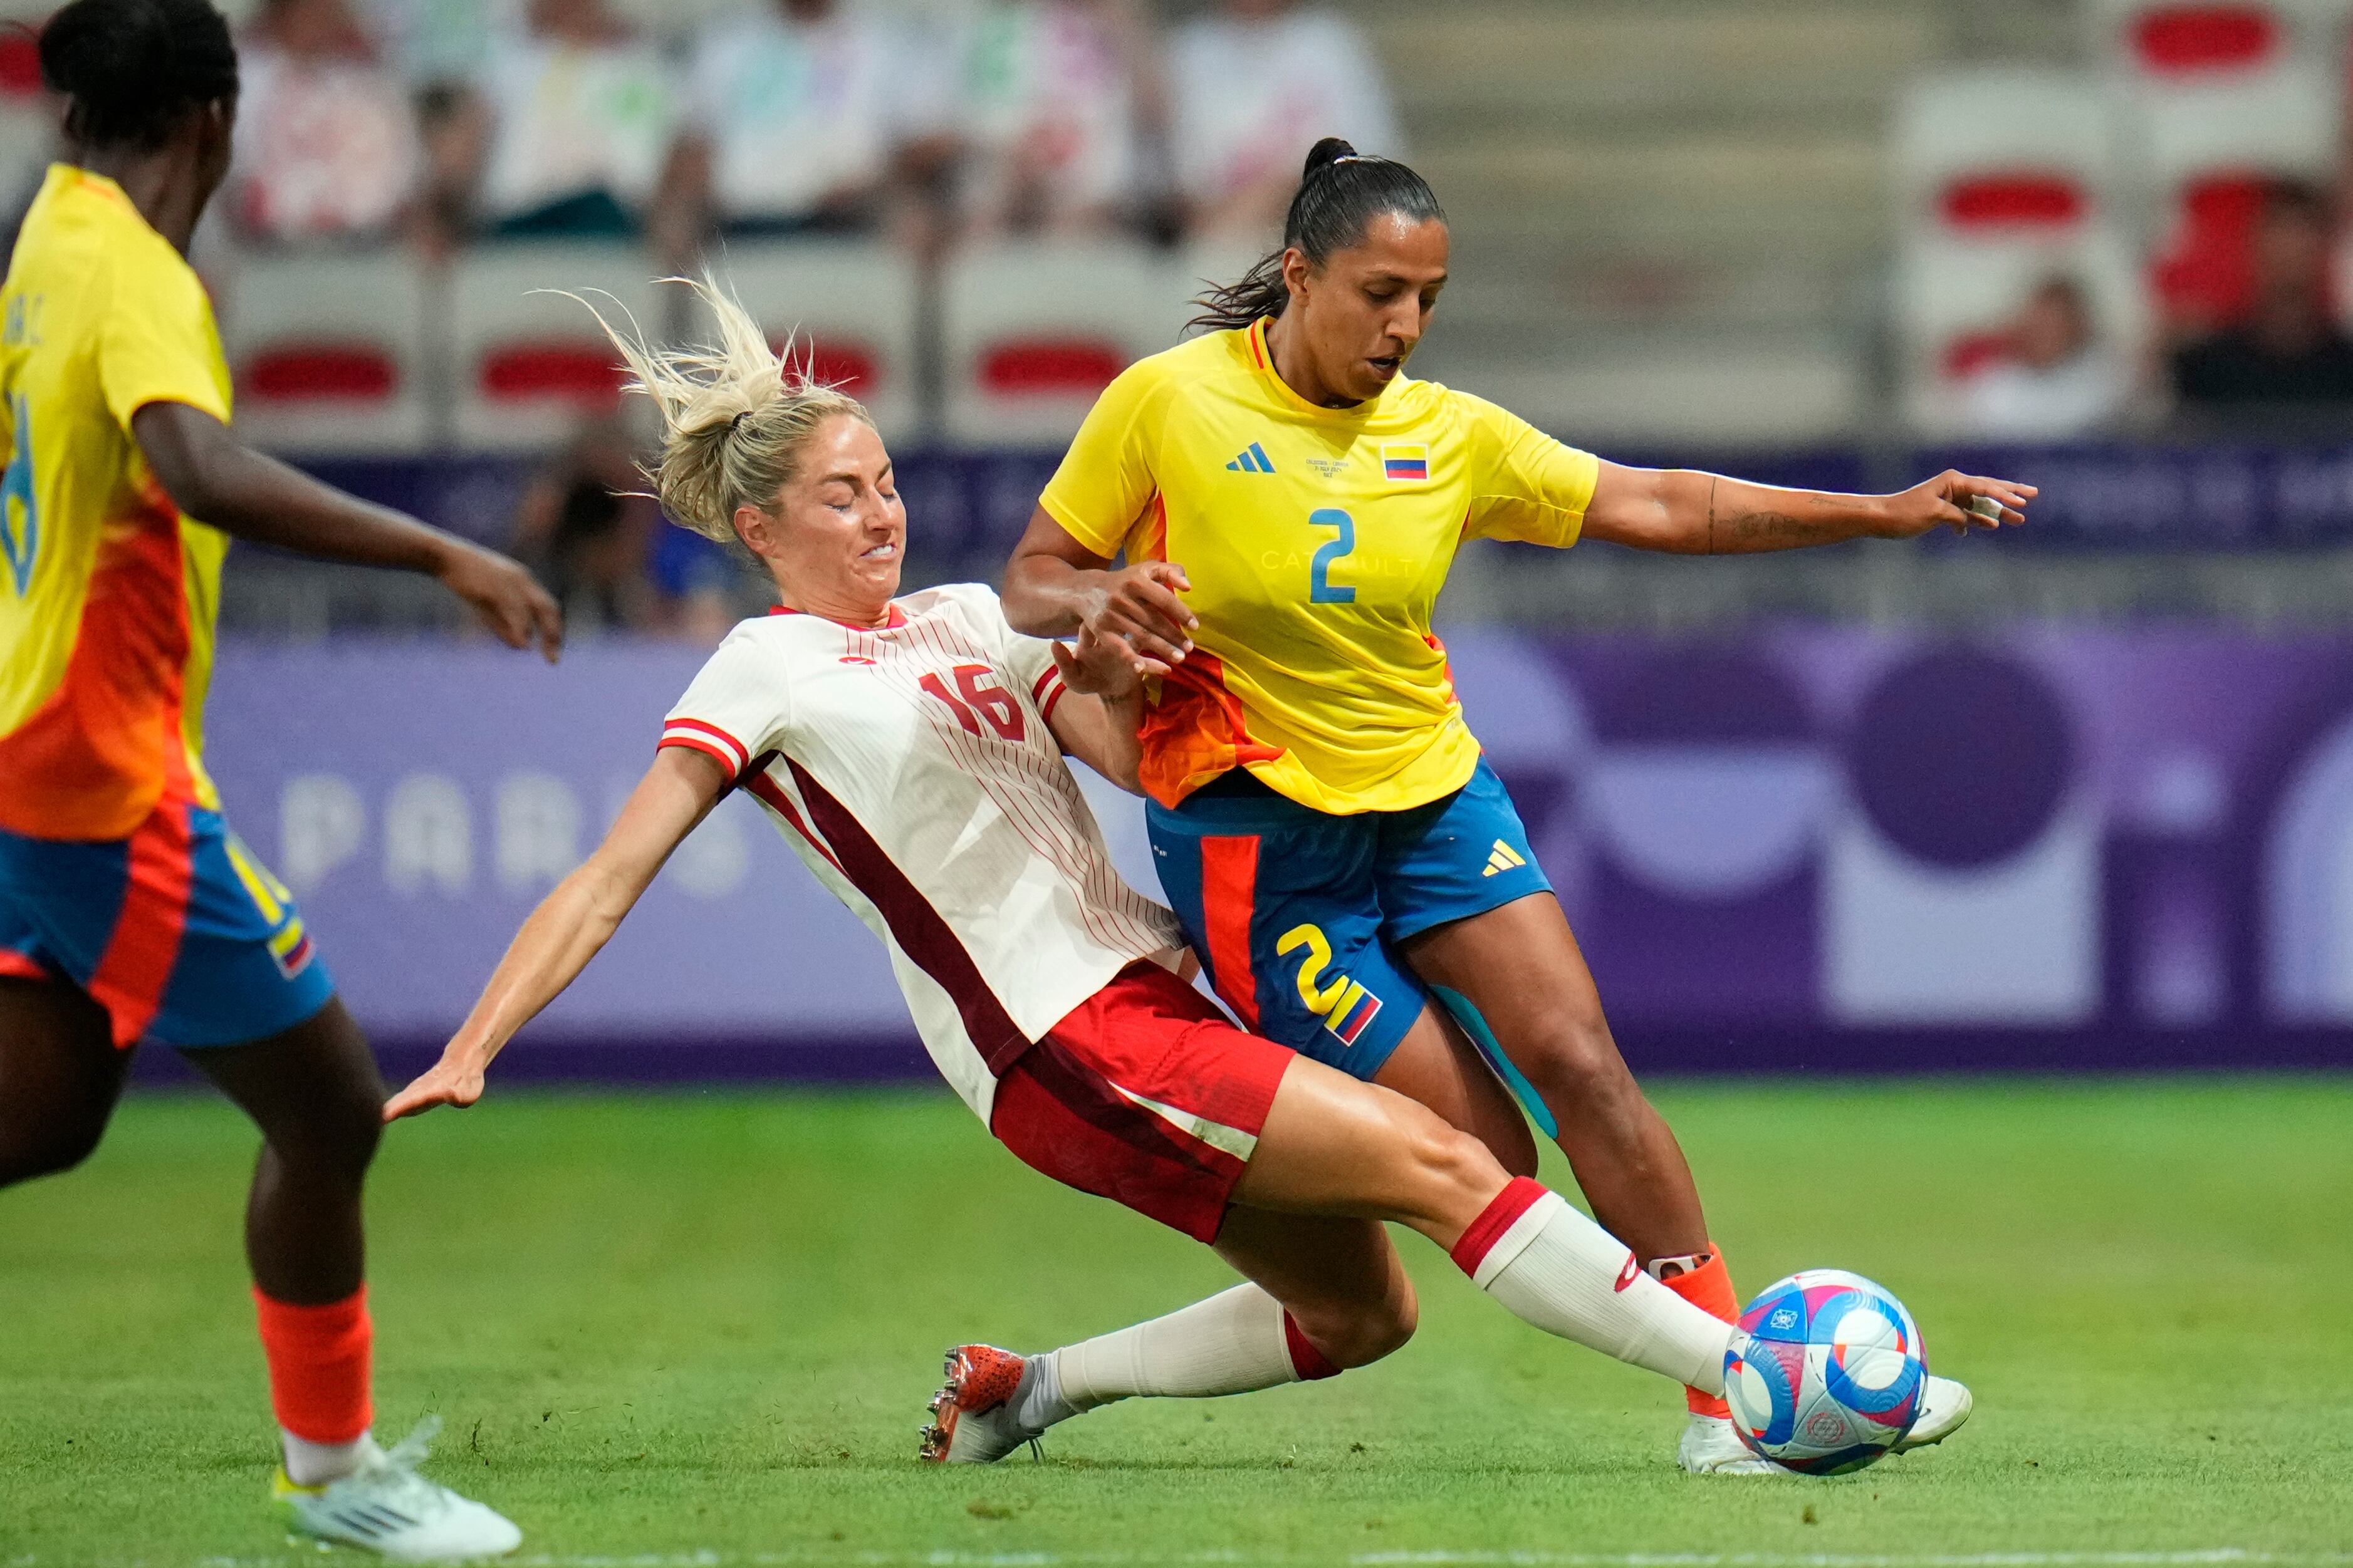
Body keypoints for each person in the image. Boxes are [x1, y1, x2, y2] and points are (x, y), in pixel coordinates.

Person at [382, 279, 1853, 1474]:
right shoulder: (763, 667)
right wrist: (473, 1041)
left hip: (1148, 996)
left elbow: (1130, 748)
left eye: (886, 482)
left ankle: (1026, 1389)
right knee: (1447, 1161)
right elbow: (610, 874)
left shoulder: (964, 616)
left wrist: (1118, 649)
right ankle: (1755, 1380)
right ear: (760, 529)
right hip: (1054, 1035)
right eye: (841, 498)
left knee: (1360, 1309)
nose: (881, 514)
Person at [1000, 138, 2018, 1474]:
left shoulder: (1448, 433)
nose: (1404, 325)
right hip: (1262, 849)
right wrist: (1097, 599)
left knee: (1585, 1067)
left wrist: (1877, 512)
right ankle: (1728, 1378)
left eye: (1427, 295)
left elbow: (1660, 503)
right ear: (1297, 275)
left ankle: (1730, 1409)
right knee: (1484, 1156)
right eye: (1377, 292)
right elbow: (1031, 576)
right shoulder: (1166, 405)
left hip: (1429, 803)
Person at [0, 0, 558, 1555]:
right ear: (217, 123)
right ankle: (334, 1473)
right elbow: (194, 465)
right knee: (329, 1107)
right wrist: (440, 544)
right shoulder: (136, 274)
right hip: (102, 779)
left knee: (41, 1118)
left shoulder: (45, 232)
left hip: (29, 744)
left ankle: (333, 1467)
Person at [1167, 0, 1400, 239]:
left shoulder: (1329, 45)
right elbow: (1174, 184)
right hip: (1208, 241)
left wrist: (1270, 200)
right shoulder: (1189, 49)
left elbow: (1365, 162)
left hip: (1312, 235)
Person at [226, 0, 422, 246]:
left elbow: (401, 176)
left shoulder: (364, 79)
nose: (322, 20)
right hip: (266, 248)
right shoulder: (246, 74)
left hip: (365, 246)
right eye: (310, 10)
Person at [2173, 180, 2353, 420]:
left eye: (2300, 238)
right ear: (2254, 245)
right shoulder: (2204, 367)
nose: (2289, 253)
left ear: (2323, 250)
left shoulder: (2346, 367)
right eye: (2278, 235)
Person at [1959, 275, 2130, 440]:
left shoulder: (2106, 383)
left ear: (2079, 326)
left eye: (2057, 323)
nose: (2047, 333)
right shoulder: (1994, 387)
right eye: (2041, 322)